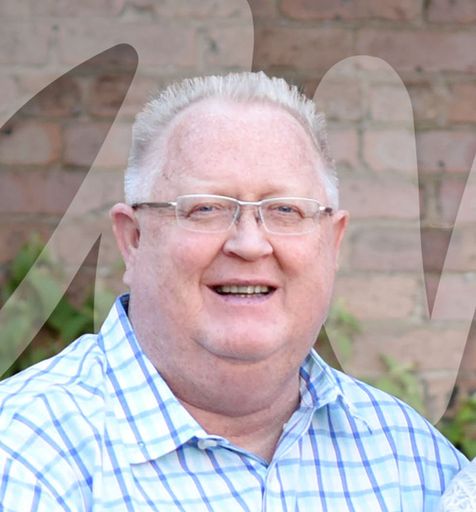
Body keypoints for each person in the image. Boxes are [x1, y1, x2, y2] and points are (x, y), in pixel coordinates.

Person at [0, 72, 467, 511]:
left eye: (285, 210)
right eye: (206, 209)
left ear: (333, 242)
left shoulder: (414, 464)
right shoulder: (24, 457)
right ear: (133, 239)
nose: (249, 244)